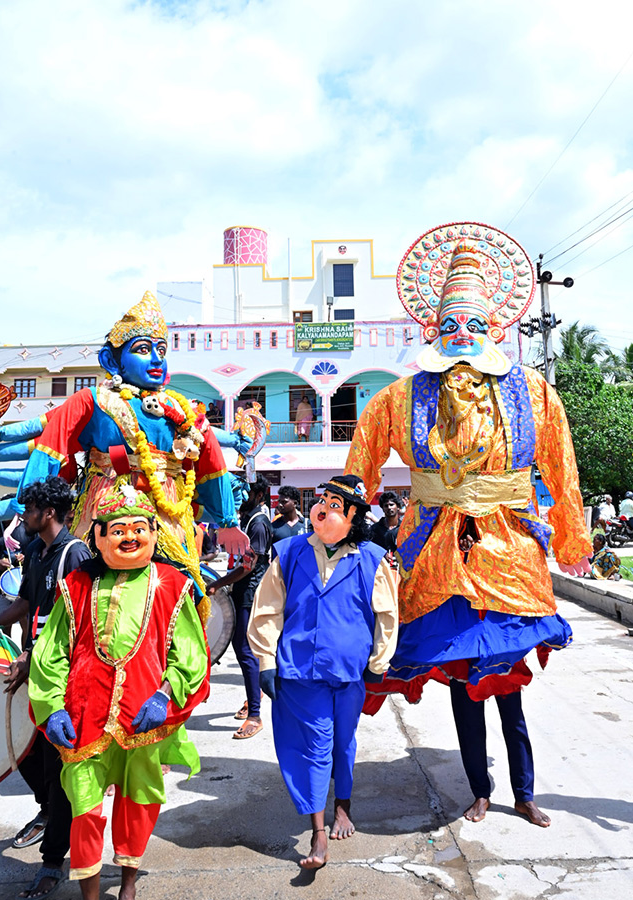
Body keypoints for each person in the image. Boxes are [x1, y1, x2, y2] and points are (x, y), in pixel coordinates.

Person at [345, 226, 592, 829]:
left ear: (494, 332)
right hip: (434, 549)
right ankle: (479, 789)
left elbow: (561, 467)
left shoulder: (534, 393)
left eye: (473, 327)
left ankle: (525, 791)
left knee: (507, 682)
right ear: (434, 329)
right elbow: (360, 467)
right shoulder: (400, 398)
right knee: (460, 677)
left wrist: (571, 536)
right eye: (451, 325)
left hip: (508, 550)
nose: (462, 337)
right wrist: (344, 530)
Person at [0, 292, 248, 628]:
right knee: (87, 587)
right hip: (104, 508)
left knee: (177, 590)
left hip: (168, 517)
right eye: (142, 349)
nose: (155, 358)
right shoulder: (94, 400)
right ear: (112, 360)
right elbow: (52, 439)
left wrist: (227, 521)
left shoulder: (185, 410)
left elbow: (212, 464)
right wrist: (34, 501)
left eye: (161, 350)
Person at [28, 484, 209, 900]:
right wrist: (51, 705)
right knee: (84, 808)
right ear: (98, 536)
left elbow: (190, 655)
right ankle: (90, 894)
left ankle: (128, 884)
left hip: (142, 714)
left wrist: (166, 694)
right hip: (83, 716)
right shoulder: (76, 584)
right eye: (118, 529)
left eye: (138, 528)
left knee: (139, 802)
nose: (129, 536)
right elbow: (51, 652)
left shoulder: (171, 583)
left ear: (152, 533)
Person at [248, 475, 399, 869]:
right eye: (323, 501)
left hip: (349, 672)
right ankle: (318, 833)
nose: (323, 509)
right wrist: (266, 660)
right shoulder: (291, 551)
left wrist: (379, 661)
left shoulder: (371, 558)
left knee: (344, 743)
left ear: (353, 516)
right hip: (300, 672)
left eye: (336, 504)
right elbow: (266, 609)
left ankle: (343, 806)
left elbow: (387, 614)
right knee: (315, 746)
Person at [0, 476, 91, 900]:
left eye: (29, 511)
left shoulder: (76, 554)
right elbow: (27, 605)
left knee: (58, 769)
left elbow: (81, 625)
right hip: (34, 669)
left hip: (63, 681)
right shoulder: (36, 551)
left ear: (48, 513)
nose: (23, 517)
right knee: (21, 749)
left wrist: (33, 660)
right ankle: (49, 811)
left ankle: (53, 862)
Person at [206, 475, 272, 739]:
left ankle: (255, 715)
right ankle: (251, 698)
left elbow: (248, 565)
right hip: (242, 590)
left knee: (245, 651)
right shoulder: (247, 521)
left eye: (243, 494)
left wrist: (219, 583)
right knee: (247, 652)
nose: (238, 500)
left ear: (258, 496)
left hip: (250, 592)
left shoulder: (257, 524)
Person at [0, 512, 30, 632]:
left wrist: (26, 557)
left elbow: (40, 553)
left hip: (22, 587)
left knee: (27, 626)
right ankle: (4, 651)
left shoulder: (28, 528)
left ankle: (24, 651)